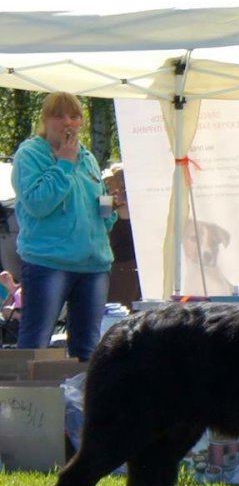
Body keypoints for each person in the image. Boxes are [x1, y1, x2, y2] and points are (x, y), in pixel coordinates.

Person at [11, 92, 117, 361]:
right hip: (49, 263)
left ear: (82, 121)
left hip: (93, 264)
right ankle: (25, 403)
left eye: (74, 116)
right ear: (45, 120)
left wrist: (113, 206)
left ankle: (80, 403)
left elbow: (100, 207)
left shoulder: (88, 157)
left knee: (88, 349)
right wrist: (64, 164)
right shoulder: (30, 155)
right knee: (36, 344)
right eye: (58, 116)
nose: (67, 122)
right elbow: (38, 203)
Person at [105, 165, 142, 309]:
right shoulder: (105, 202)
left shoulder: (140, 203)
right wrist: (114, 203)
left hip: (133, 264)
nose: (109, 186)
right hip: (113, 265)